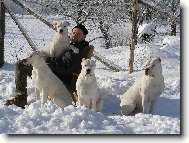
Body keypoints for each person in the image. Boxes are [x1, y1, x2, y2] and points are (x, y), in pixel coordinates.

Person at [5, 24, 93, 109]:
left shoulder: (77, 51)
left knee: (21, 66)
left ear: (84, 36)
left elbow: (66, 68)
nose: (75, 35)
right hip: (50, 70)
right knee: (27, 61)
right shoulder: (72, 46)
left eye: (78, 34)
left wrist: (47, 60)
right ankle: (21, 97)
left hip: (54, 75)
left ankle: (21, 98)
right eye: (73, 33)